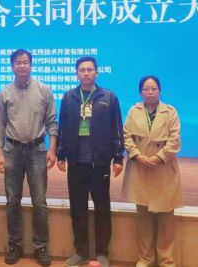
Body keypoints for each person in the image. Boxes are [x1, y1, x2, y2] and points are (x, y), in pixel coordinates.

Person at [57, 56, 124, 267]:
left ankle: (102, 253)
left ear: (97, 72)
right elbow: (62, 127)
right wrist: (61, 154)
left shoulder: (109, 97)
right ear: (77, 73)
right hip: (76, 163)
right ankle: (81, 252)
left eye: (89, 70)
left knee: (102, 208)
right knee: (78, 209)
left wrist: (118, 157)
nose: (86, 73)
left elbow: (116, 128)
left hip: (100, 163)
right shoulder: (69, 97)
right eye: (82, 70)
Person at [0, 49, 57, 267]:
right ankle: (15, 244)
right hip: (11, 150)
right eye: (18, 62)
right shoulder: (4, 93)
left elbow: (52, 123)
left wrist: (52, 150)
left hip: (37, 151)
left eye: (25, 62)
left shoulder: (44, 90)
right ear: (12, 66)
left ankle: (41, 246)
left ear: (31, 65)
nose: (22, 66)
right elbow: (0, 126)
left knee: (39, 202)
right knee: (12, 201)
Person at [122, 75, 182, 267]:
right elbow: (126, 136)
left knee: (166, 219)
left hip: (163, 168)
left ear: (159, 91)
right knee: (143, 218)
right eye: (146, 89)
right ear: (140, 92)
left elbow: (175, 141)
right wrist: (138, 156)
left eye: (153, 89)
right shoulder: (134, 111)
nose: (150, 92)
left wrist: (158, 158)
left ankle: (166, 260)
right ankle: (145, 258)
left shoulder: (170, 112)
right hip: (140, 168)